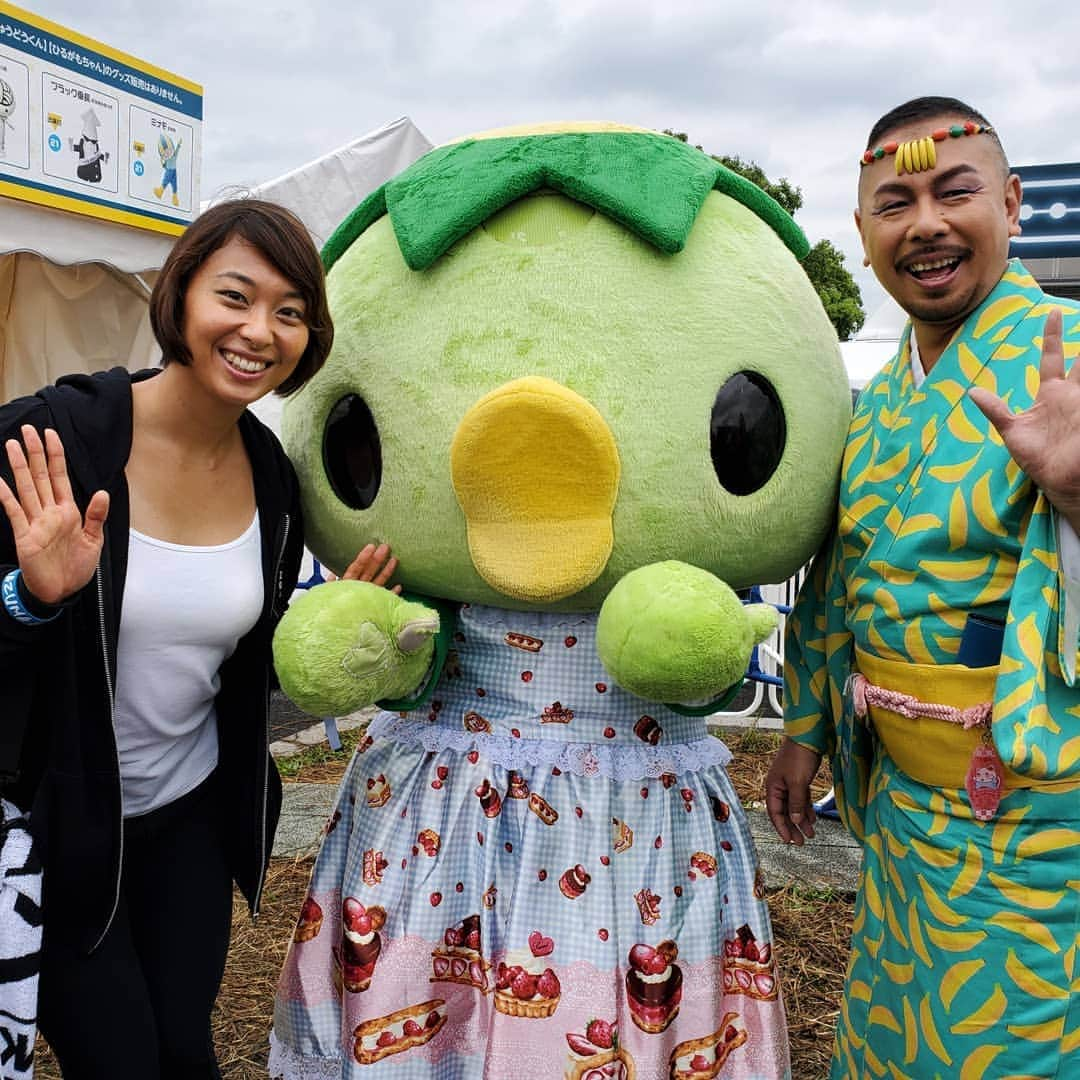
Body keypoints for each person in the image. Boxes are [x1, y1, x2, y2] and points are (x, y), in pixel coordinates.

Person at [0, 198, 396, 1078]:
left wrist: (332, 630)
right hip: (62, 826)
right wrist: (31, 598)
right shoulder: (55, 441)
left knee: (184, 1051)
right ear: (181, 295)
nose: (261, 330)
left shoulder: (273, 480)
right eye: (237, 296)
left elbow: (233, 657)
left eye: (291, 312)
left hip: (186, 823)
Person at [766, 96, 1080, 1078]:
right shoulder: (878, 400)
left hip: (1041, 820)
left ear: (1014, 201)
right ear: (862, 235)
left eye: (956, 191)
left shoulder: (1063, 355)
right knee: (894, 1041)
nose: (928, 223)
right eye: (894, 203)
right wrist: (807, 729)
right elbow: (838, 580)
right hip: (905, 811)